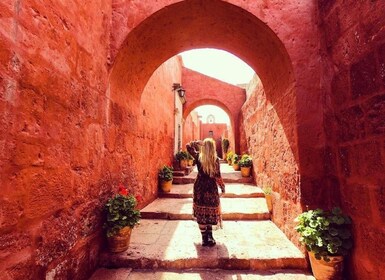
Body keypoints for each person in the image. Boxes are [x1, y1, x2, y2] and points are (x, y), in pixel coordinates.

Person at [186, 138, 225, 247]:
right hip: (211, 188)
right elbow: (218, 176)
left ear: (204, 147)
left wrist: (197, 143)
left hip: (200, 187)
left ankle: (204, 238)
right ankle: (209, 236)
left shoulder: (198, 156)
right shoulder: (215, 159)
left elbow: (188, 146)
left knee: (201, 212)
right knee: (210, 211)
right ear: (213, 148)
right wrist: (222, 187)